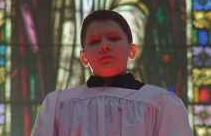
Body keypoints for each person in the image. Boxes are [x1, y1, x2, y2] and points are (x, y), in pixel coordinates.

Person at [31, 10, 194, 136]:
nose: (104, 46)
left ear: (132, 50)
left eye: (114, 38)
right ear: (83, 57)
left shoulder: (160, 103)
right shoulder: (59, 104)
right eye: (94, 41)